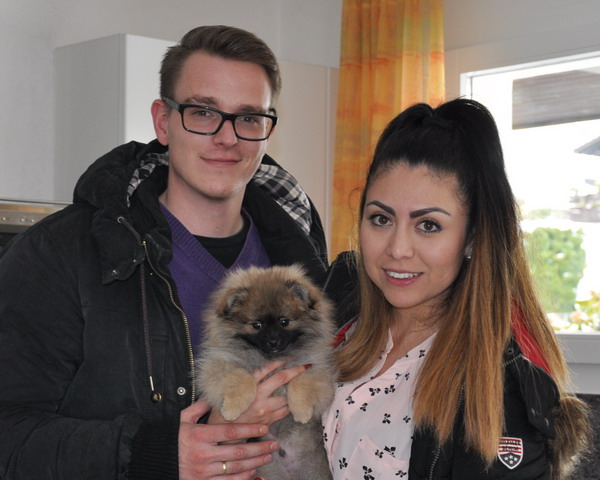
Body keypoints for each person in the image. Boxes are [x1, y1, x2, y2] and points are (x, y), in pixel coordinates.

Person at [0, 25, 328, 479]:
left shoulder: (303, 260)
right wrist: (151, 454)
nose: (228, 137)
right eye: (203, 112)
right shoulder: (59, 253)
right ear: (163, 121)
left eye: (249, 117)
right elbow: (9, 434)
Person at [322, 98, 591, 479]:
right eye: (381, 219)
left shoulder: (501, 395)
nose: (397, 249)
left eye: (428, 225)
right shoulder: (335, 313)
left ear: (472, 237)